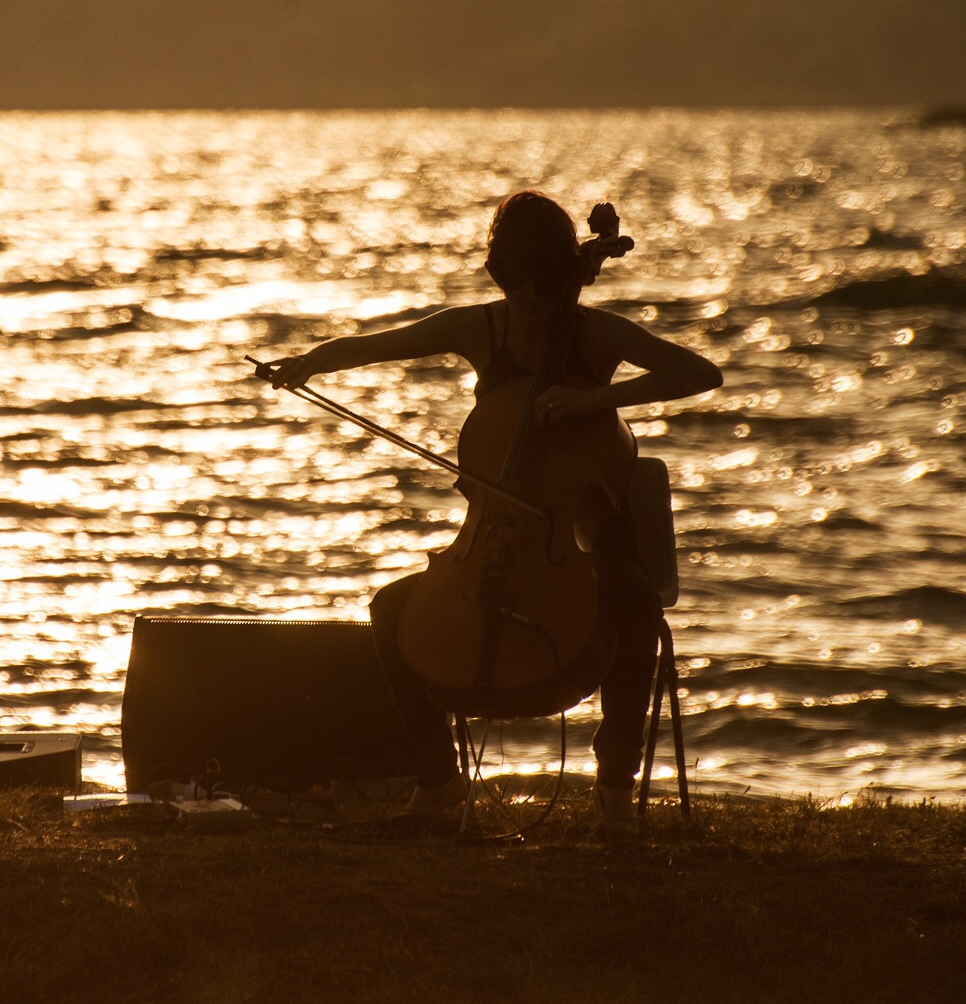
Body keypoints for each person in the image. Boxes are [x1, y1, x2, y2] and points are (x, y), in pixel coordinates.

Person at [261, 191, 721, 837]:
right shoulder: (483, 327)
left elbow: (701, 372)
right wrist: (310, 362)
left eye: (542, 289)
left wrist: (601, 401)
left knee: (636, 604)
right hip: (495, 537)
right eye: (517, 289)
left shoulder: (596, 334)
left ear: (567, 279)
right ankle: (439, 779)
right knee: (391, 610)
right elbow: (384, 344)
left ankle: (614, 785)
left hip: (588, 540)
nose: (530, 305)